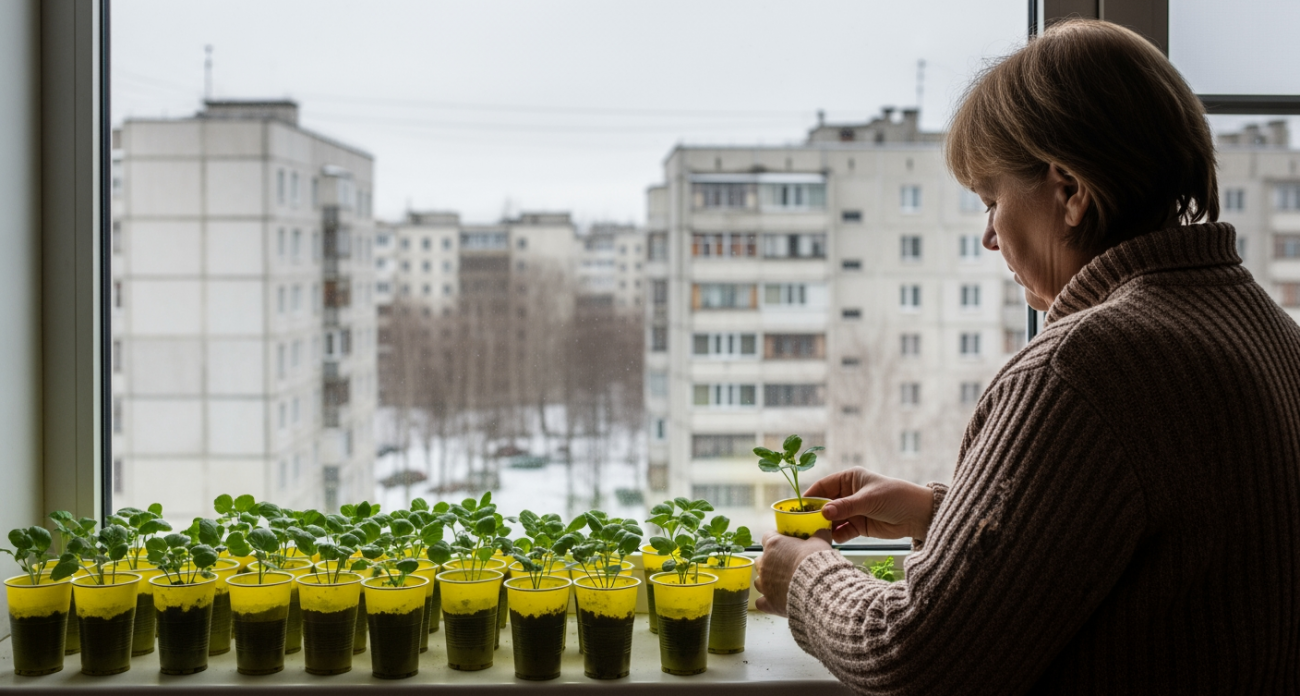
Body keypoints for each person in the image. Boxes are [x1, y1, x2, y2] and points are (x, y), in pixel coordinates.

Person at [754, 19, 1300, 695]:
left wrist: (803, 578)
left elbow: (919, 655)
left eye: (992, 201)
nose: (989, 236)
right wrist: (942, 514)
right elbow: (1174, 554)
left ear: (1069, 191)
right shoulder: (1265, 327)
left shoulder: (1083, 367)